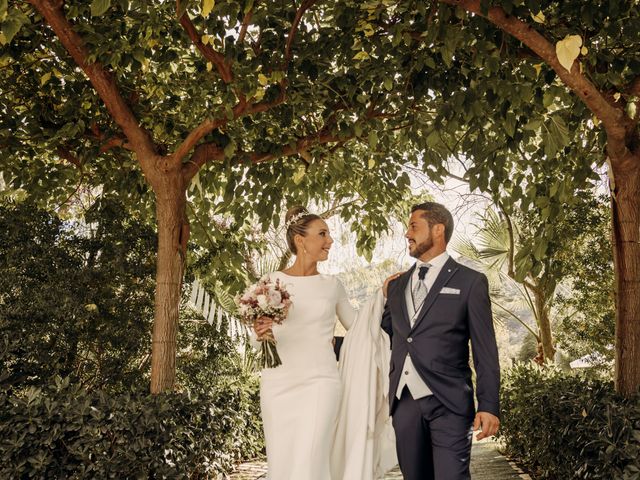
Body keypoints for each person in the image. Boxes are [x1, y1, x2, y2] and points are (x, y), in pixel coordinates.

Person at [253, 206, 398, 480]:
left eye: (328, 234)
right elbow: (257, 335)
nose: (330, 241)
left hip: (321, 382)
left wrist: (383, 296)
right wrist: (259, 331)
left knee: (312, 456)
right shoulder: (271, 281)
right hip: (277, 383)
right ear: (300, 240)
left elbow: (359, 330)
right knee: (282, 459)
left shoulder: (333, 286)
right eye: (322, 234)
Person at [381, 201, 501, 480]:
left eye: (413, 226)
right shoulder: (396, 287)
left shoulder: (470, 282)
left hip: (450, 403)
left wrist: (488, 405)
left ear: (438, 230)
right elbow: (382, 335)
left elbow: (485, 349)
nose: (406, 234)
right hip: (405, 403)